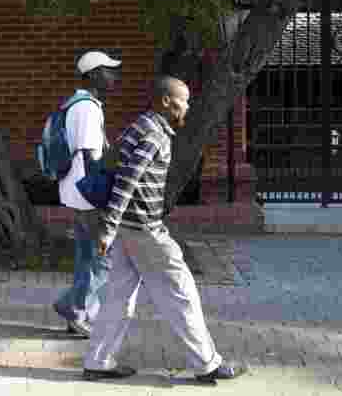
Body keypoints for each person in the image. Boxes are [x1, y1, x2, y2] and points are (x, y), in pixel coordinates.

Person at [82, 76, 247, 385]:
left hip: (127, 232)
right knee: (181, 292)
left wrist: (111, 227)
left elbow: (114, 167)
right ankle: (207, 364)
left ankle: (98, 361)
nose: (188, 106)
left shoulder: (138, 126)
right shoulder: (155, 135)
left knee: (118, 297)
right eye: (184, 100)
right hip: (145, 230)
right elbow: (127, 181)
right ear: (166, 102)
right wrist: (107, 228)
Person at [52, 50, 121, 337]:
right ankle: (76, 308)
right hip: (88, 194)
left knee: (86, 256)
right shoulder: (87, 108)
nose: (113, 76)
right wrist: (106, 193)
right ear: (93, 75)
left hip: (75, 192)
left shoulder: (75, 104)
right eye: (108, 70)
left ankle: (74, 311)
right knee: (105, 256)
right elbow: (93, 156)